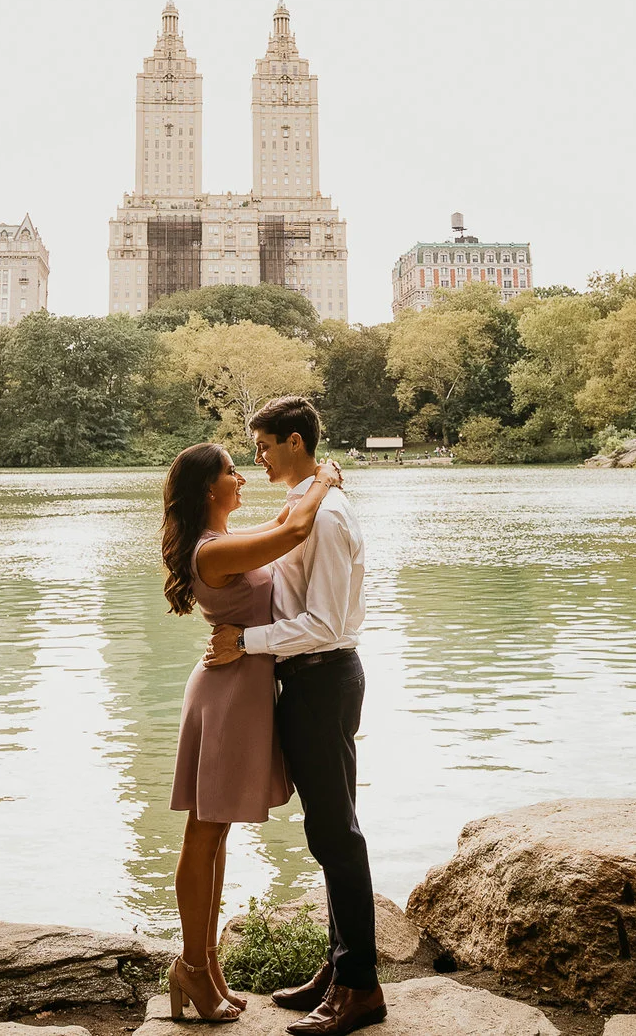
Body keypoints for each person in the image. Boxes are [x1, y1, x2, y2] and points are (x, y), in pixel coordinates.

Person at [205, 396, 383, 1036]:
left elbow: (326, 625)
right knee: (326, 831)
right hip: (304, 683)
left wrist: (244, 644)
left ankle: (361, 987)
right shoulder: (307, 508)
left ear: (296, 443)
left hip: (325, 680)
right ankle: (339, 971)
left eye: (264, 444)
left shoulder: (329, 517)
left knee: (337, 834)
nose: (257, 454)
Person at [161, 441, 338, 1022]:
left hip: (241, 689)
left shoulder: (225, 542)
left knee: (216, 834)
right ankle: (191, 965)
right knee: (205, 833)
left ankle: (206, 966)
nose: (242, 477)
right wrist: (324, 479)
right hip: (228, 694)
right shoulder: (212, 553)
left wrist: (314, 486)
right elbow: (292, 533)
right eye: (233, 472)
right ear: (211, 490)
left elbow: (285, 522)